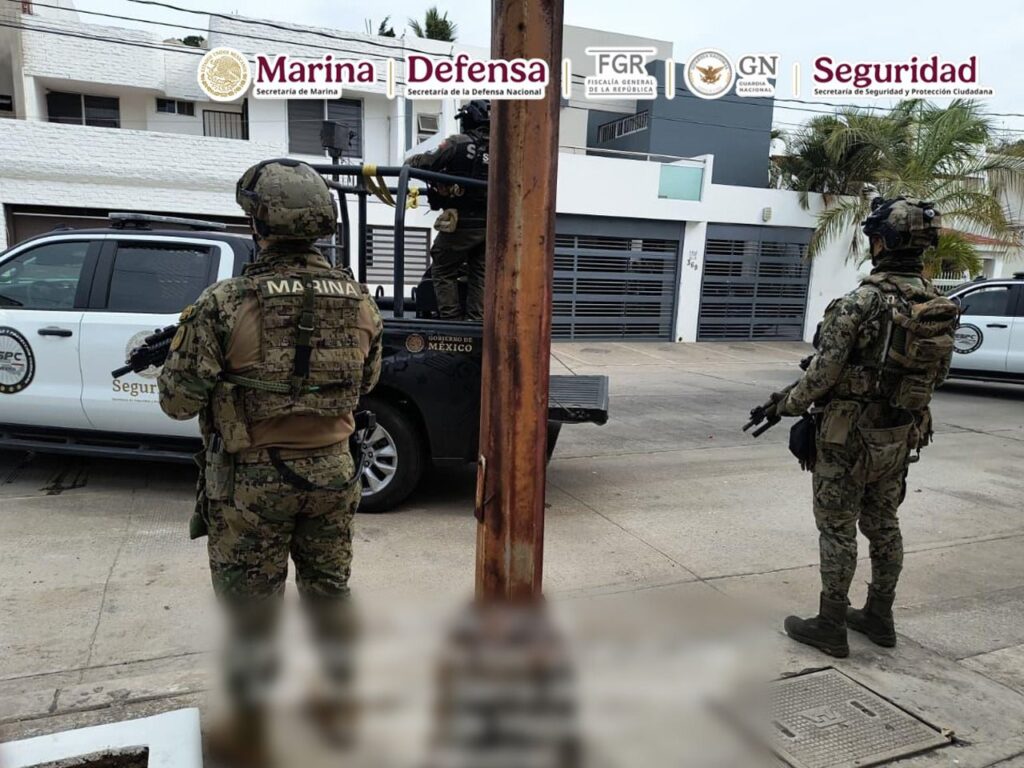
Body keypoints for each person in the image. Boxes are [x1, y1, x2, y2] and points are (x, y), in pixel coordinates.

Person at [157, 159, 383, 758]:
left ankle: (252, 739)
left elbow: (178, 402)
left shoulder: (225, 303)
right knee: (329, 593)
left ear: (257, 223)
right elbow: (367, 382)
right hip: (334, 473)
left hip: (252, 484)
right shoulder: (359, 300)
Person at [764, 196, 958, 658]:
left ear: (882, 242)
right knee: (884, 524)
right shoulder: (937, 305)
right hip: (900, 434)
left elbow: (822, 376)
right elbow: (940, 375)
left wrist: (784, 405)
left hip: (846, 438)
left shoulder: (860, 302)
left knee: (837, 528)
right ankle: (879, 615)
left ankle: (830, 623)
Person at [408, 99, 490, 321]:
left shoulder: (458, 143)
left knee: (442, 266)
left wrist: (410, 162)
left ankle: (451, 322)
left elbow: (426, 163)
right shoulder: (503, 149)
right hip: (489, 225)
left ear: (467, 120)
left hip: (461, 222)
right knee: (479, 271)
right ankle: (475, 321)